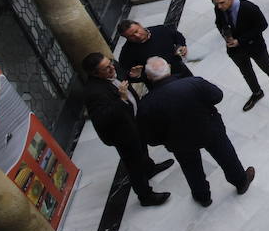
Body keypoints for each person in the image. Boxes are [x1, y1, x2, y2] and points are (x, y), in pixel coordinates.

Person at [136, 58, 255, 207]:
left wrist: (167, 141)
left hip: (179, 143)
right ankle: (241, 181)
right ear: (170, 68)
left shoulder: (146, 104)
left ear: (148, 77)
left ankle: (202, 197)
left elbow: (150, 138)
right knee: (226, 155)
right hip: (210, 129)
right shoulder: (193, 83)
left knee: (191, 169)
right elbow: (218, 96)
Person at [79, 53, 172, 207]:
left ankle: (149, 168)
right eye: (106, 68)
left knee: (143, 147)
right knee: (134, 165)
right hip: (123, 134)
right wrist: (121, 99)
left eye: (110, 64)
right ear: (95, 74)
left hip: (134, 122)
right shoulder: (93, 93)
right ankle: (145, 196)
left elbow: (126, 78)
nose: (112, 68)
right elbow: (103, 118)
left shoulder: (113, 70)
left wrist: (134, 76)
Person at [210, 0, 269, 110]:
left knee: (267, 67)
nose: (219, 6)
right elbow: (219, 23)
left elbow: (262, 25)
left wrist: (240, 41)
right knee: (246, 72)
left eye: (222, 2)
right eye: (217, 3)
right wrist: (225, 34)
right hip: (235, 50)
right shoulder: (219, 8)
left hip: (255, 46)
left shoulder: (249, 8)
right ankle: (256, 92)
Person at [116, 20, 192, 83]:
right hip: (161, 85)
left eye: (136, 31)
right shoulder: (127, 53)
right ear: (125, 37)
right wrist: (137, 76)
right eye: (131, 36)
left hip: (181, 72)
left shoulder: (160, 30)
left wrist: (181, 45)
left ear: (140, 25)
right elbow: (127, 74)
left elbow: (177, 36)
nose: (137, 36)